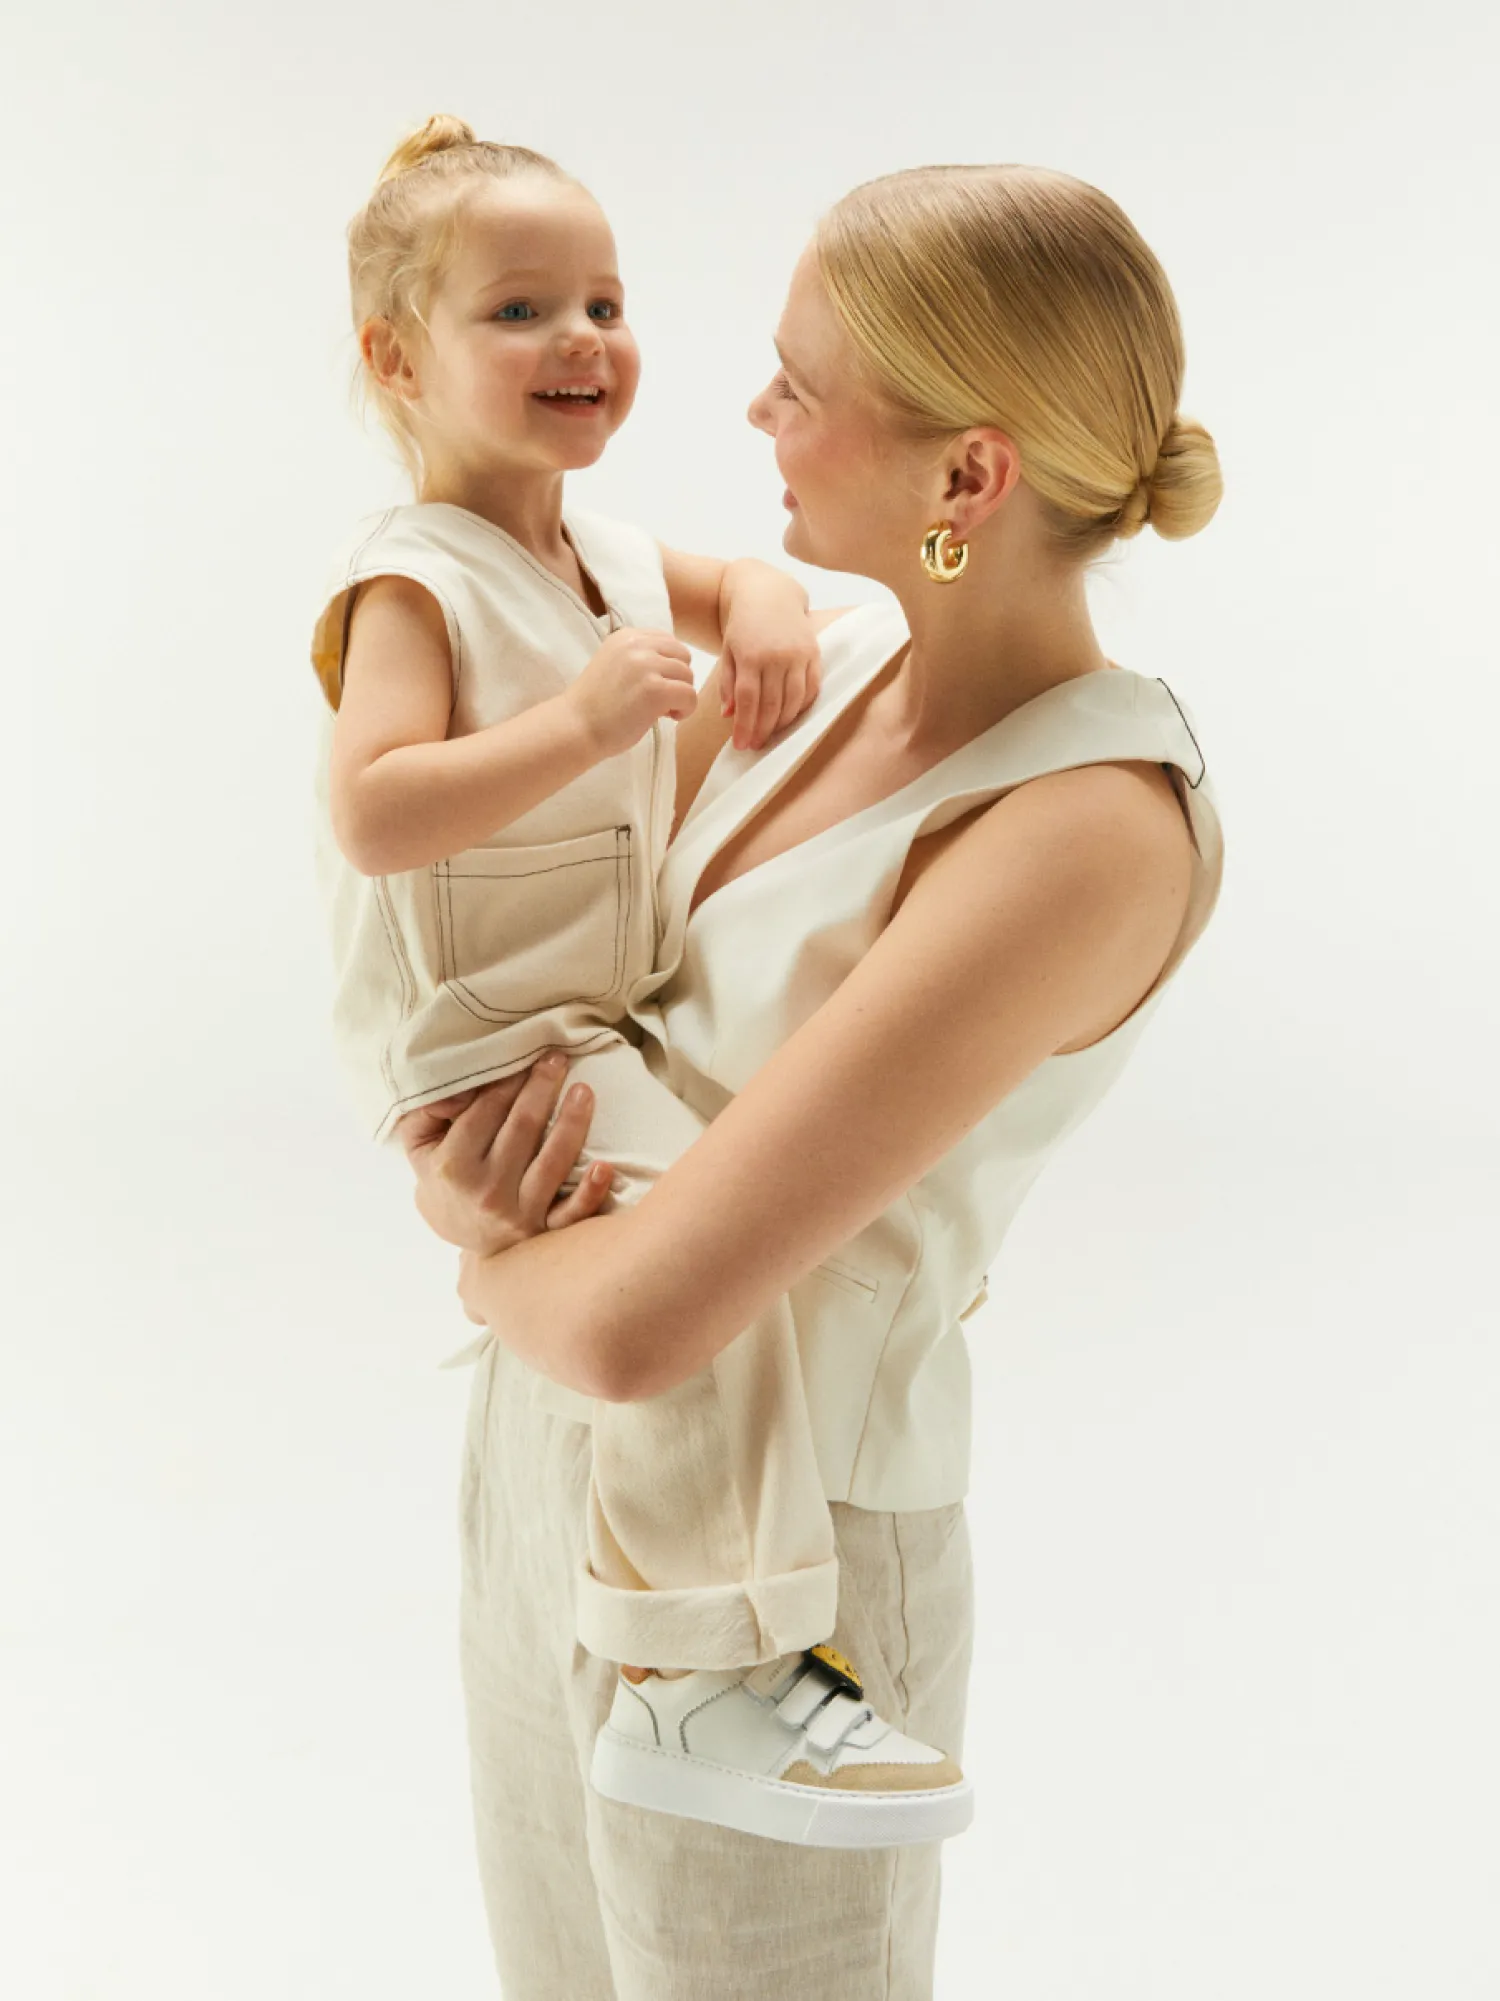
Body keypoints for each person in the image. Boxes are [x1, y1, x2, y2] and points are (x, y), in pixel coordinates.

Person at [398, 159, 1227, 2000]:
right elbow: (567, 1009)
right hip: (546, 1470)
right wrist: (471, 1180)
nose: (756, 413)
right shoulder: (822, 671)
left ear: (967, 478)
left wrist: (477, 1252)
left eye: (802, 383)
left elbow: (648, 1321)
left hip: (791, 1586)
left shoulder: (1087, 827)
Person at [311, 115, 971, 1850]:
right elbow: (373, 812)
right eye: (519, 311)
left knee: (719, 1242)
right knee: (695, 1256)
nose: (583, 340)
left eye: (603, 303)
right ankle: (701, 1669)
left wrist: (764, 605)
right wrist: (580, 722)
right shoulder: (413, 581)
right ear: (398, 360)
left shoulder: (594, 550)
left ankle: (708, 1641)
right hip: (484, 1032)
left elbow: (742, 578)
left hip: (584, 1010)